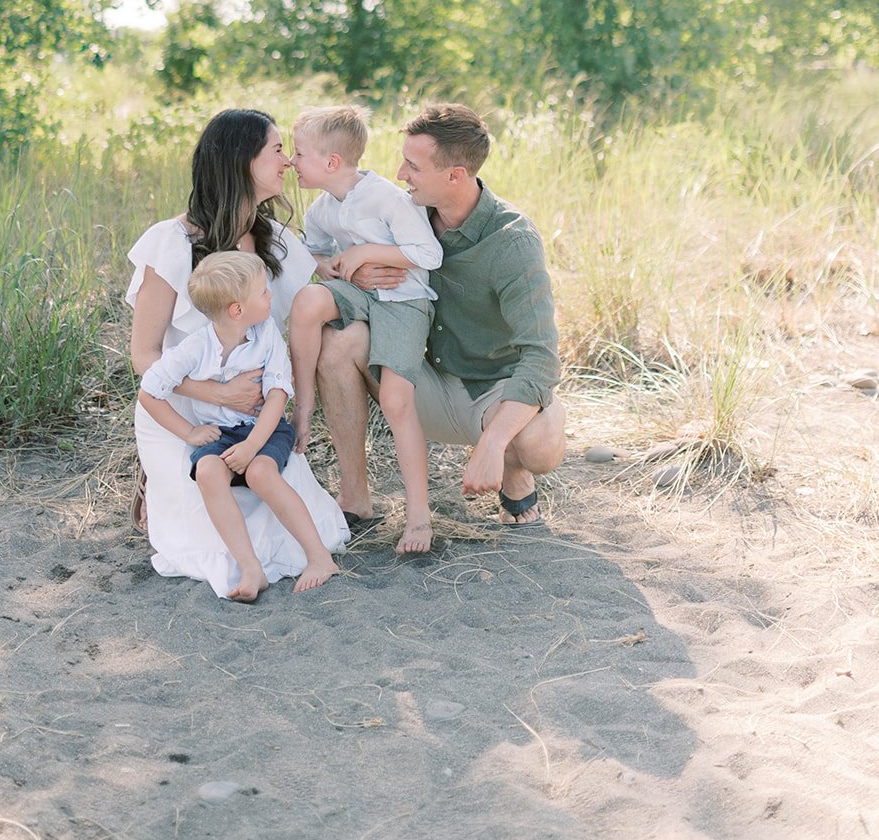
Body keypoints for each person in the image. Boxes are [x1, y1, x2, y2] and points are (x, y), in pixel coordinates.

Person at [127, 108, 348, 598]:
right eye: (277, 150)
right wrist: (214, 394)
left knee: (304, 527)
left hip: (254, 414)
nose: (288, 161)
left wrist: (299, 406)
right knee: (212, 548)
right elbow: (144, 354)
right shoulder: (172, 242)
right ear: (241, 161)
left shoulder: (277, 242)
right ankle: (156, 480)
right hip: (183, 409)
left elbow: (303, 320)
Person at [316, 102, 566, 529]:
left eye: (413, 166)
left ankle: (513, 467)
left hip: (490, 391)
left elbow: (542, 357)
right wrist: (354, 273)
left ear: (455, 175)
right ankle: (355, 496)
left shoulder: (513, 241)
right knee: (339, 340)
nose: (400, 174)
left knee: (538, 446)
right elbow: (334, 260)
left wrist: (493, 442)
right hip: (419, 380)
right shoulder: (398, 213)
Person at [139, 251, 339, 600]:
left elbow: (277, 396)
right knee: (207, 472)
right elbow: (149, 392)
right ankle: (250, 567)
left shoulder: (267, 334)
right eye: (263, 292)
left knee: (261, 473)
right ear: (237, 310)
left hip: (265, 428)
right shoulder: (196, 347)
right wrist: (189, 432)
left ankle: (319, 557)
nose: (270, 295)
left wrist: (251, 446)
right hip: (221, 434)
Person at [288, 105, 442, 554]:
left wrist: (367, 253)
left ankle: (418, 515)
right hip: (360, 293)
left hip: (404, 302)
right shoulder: (321, 210)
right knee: (308, 300)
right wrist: (330, 267)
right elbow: (312, 252)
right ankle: (304, 402)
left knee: (396, 399)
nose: (291, 162)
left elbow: (429, 255)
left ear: (331, 162)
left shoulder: (387, 199)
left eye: (299, 153)